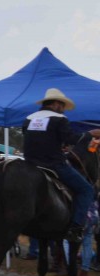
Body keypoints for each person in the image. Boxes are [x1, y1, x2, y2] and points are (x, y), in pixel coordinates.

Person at [22, 88, 100, 242]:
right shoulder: (59, 119)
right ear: (56, 104)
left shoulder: (29, 119)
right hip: (53, 164)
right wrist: (90, 134)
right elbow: (71, 139)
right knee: (86, 190)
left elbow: (35, 138)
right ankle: (76, 228)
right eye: (62, 105)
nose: (63, 109)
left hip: (29, 164)